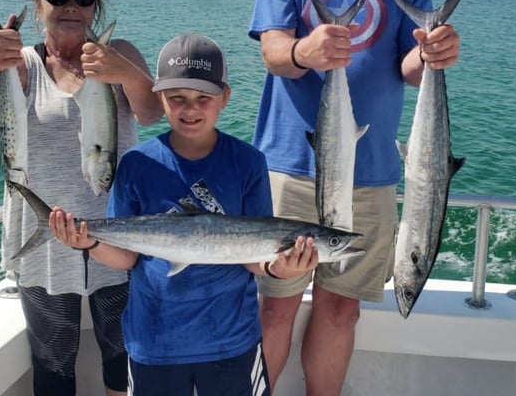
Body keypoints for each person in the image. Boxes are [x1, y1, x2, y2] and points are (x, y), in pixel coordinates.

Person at [248, 0, 462, 394]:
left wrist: (432, 52)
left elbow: (408, 67)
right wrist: (306, 52)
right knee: (276, 308)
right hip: (291, 169)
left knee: (342, 311)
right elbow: (273, 53)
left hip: (369, 172)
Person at [49, 32, 319, 396]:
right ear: (160, 97)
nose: (190, 109)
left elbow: (256, 255)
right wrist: (88, 242)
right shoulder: (136, 164)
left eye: (203, 98)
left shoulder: (249, 162)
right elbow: (126, 258)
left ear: (224, 97)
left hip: (231, 341)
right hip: (154, 341)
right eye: (177, 98)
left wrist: (279, 267)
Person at [0, 0, 164, 396]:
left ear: (95, 6)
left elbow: (150, 112)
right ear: (38, 5)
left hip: (115, 239)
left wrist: (121, 71)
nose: (72, 5)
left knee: (122, 351)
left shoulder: (119, 54)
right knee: (53, 362)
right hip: (41, 241)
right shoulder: (20, 65)